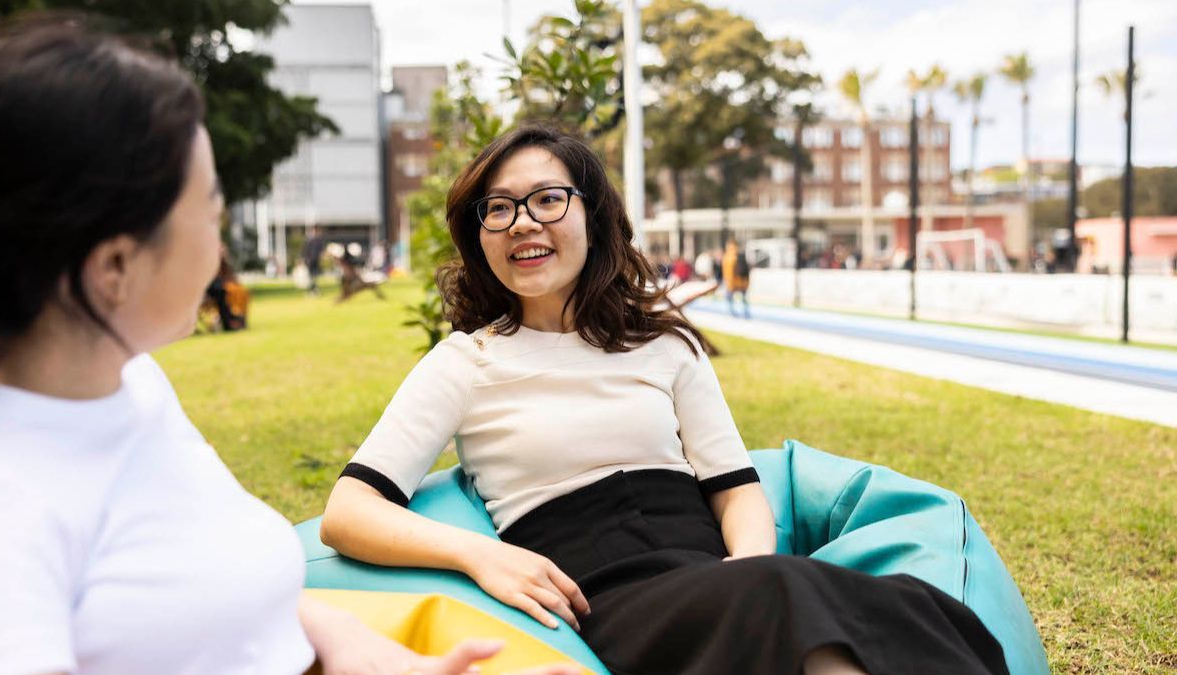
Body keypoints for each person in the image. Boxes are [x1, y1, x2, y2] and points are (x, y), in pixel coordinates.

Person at [0, 16, 578, 675]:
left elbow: (247, 603)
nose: (221, 245)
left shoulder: (131, 387)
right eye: (209, 209)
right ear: (113, 267)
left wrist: (390, 662)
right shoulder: (2, 502)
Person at [320, 124, 1009, 675]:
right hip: (606, 596)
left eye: (547, 199)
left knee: (914, 604)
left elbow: (736, 487)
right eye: (497, 209)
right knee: (786, 596)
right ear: (480, 237)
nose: (522, 223)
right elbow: (348, 511)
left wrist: (748, 564)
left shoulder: (663, 342)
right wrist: (481, 556)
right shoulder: (465, 362)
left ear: (593, 215)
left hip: (711, 576)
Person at [722, 238, 751, 319]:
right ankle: (746, 313)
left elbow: (728, 273)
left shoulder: (728, 257)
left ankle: (732, 313)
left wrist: (729, 283)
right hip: (743, 282)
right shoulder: (740, 255)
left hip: (733, 282)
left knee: (729, 298)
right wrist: (747, 282)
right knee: (743, 298)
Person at [303, 226, 326, 295]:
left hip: (316, 260)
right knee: (311, 276)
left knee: (315, 276)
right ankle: (312, 289)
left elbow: (322, 251)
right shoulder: (309, 240)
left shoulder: (319, 241)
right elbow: (305, 250)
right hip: (309, 261)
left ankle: (313, 289)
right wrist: (304, 258)